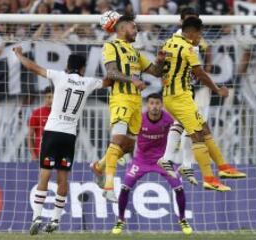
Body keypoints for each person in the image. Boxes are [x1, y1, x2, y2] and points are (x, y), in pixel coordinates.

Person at [13, 46, 113, 235]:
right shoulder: (88, 82)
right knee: (63, 178)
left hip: (52, 133)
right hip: (69, 136)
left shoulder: (59, 76)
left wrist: (19, 55)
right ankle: (56, 220)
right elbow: (109, 81)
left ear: (67, 67)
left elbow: (34, 68)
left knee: (44, 174)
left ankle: (36, 217)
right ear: (83, 69)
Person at [159, 8, 246, 185]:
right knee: (198, 131)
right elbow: (199, 71)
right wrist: (216, 88)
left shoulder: (176, 41)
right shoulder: (186, 43)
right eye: (192, 23)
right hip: (181, 92)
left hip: (185, 89)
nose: (199, 32)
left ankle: (184, 163)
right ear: (183, 24)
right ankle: (202, 173)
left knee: (192, 127)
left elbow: (204, 59)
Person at [90, 14, 165, 202]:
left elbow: (155, 72)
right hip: (121, 99)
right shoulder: (110, 46)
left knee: (128, 145)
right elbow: (112, 72)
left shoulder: (135, 52)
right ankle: (109, 187)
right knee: (116, 141)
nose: (136, 30)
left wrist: (161, 60)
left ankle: (99, 166)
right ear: (122, 29)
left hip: (135, 103)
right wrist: (132, 79)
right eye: (133, 27)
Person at [111, 93, 192, 235]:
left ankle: (183, 219)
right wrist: (121, 153)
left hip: (162, 161)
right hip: (141, 160)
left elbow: (180, 130)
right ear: (147, 105)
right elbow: (127, 136)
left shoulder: (168, 119)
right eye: (151, 103)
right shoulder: (139, 119)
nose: (154, 106)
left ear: (161, 105)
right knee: (125, 187)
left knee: (179, 188)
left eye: (157, 103)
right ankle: (120, 220)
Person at [28, 86, 53, 161]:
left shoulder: (59, 114)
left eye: (53, 97)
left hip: (57, 153)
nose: (51, 100)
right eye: (48, 97)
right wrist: (33, 155)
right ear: (44, 98)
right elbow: (30, 136)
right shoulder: (37, 113)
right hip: (41, 154)